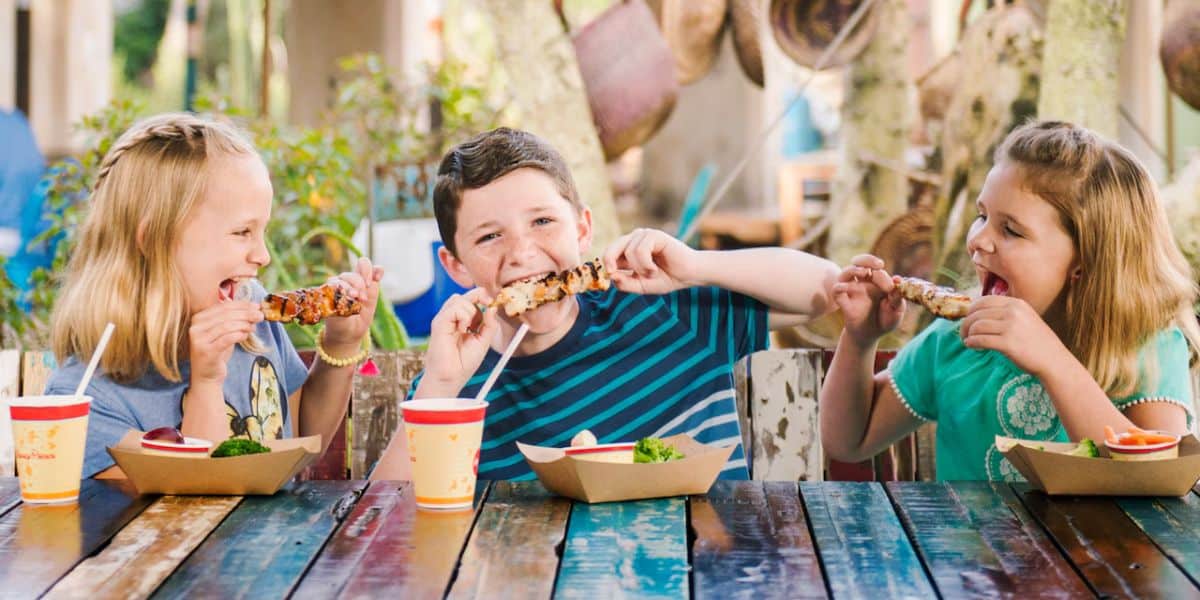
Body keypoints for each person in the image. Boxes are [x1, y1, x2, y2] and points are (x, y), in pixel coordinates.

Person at [372, 127, 839, 481]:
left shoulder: (662, 309)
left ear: (582, 229)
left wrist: (697, 267)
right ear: (455, 266)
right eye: (490, 236)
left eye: (542, 221)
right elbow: (382, 520)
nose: (522, 253)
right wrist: (439, 385)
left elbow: (825, 289)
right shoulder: (454, 390)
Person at [820, 120, 1200, 480]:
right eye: (981, 216)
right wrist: (860, 339)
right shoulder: (955, 341)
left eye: (1011, 230)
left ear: (1085, 260)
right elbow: (848, 441)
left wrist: (1053, 362)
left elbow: (1155, 478)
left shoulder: (1145, 347)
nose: (978, 240)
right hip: (969, 550)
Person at [44, 113, 383, 478]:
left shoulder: (254, 323)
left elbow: (302, 437)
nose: (263, 256)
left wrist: (342, 343)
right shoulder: (90, 400)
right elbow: (192, 518)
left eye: (262, 231)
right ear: (153, 240)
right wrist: (206, 383)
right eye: (242, 232)